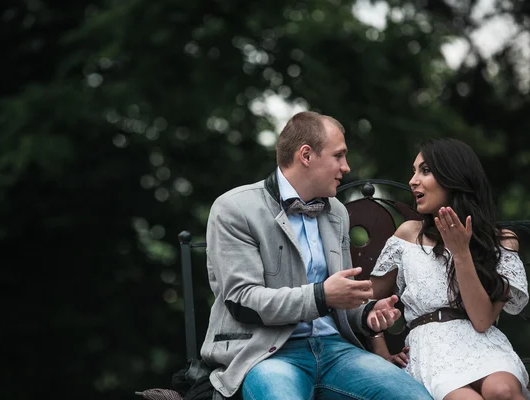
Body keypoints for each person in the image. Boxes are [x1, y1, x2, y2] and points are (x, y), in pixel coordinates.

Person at [200, 111, 432, 399]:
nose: (346, 167)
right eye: (339, 156)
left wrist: (367, 313)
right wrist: (322, 296)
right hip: (267, 354)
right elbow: (242, 301)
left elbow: (339, 297)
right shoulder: (235, 208)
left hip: (337, 351)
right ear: (306, 156)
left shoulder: (335, 212)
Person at [370, 138, 530, 400]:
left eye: (425, 170)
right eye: (413, 171)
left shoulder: (500, 241)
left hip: (483, 343)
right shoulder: (408, 235)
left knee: (503, 390)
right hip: (431, 348)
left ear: (453, 178)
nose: (413, 181)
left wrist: (461, 252)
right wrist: (380, 351)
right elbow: (370, 300)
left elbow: (481, 320)